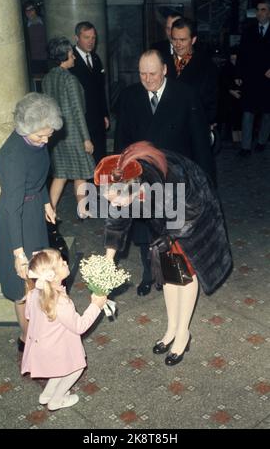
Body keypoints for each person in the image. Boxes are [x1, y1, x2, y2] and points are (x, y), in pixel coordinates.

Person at [94, 141, 232, 366]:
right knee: (167, 269)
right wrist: (109, 258)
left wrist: (170, 236)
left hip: (193, 214)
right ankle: (171, 329)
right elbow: (116, 219)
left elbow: (192, 210)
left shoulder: (172, 178)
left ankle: (183, 334)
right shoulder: (122, 178)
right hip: (167, 215)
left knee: (184, 272)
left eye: (116, 199)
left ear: (135, 187)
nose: (114, 204)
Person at [114, 49, 214, 296]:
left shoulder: (186, 95)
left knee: (173, 232)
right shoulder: (129, 97)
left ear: (165, 70)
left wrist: (205, 185)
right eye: (142, 74)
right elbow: (121, 143)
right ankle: (149, 274)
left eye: (153, 74)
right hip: (142, 179)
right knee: (145, 230)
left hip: (175, 178)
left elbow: (201, 145)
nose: (147, 80)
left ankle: (174, 277)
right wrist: (120, 178)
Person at [0, 93, 63, 351]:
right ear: (25, 129)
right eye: (40, 136)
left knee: (40, 278)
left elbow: (39, 177)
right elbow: (12, 208)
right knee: (21, 285)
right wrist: (18, 253)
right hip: (15, 219)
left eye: (48, 135)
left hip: (33, 211)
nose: (45, 140)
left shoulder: (38, 142)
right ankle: (27, 339)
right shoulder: (12, 157)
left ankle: (40, 330)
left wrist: (46, 202)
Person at [21, 249, 107, 410]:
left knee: (60, 368)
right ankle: (56, 400)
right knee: (75, 368)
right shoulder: (60, 301)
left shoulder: (34, 293)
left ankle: (47, 394)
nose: (66, 262)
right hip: (57, 347)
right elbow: (79, 326)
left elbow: (28, 315)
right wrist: (96, 305)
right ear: (52, 275)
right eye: (61, 262)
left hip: (43, 345)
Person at [42, 37, 95, 218]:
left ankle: (50, 210)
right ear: (64, 56)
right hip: (73, 134)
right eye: (72, 54)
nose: (74, 57)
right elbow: (78, 111)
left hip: (56, 134)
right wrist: (86, 139)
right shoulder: (69, 80)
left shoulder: (48, 78)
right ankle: (82, 208)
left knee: (62, 173)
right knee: (81, 170)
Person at [70, 21, 109, 165]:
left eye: (93, 38)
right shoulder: (70, 60)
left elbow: (100, 90)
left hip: (97, 118)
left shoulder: (96, 58)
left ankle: (100, 185)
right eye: (87, 37)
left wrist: (105, 114)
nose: (91, 41)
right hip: (82, 118)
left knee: (100, 156)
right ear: (76, 38)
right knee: (84, 161)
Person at [235, 0, 270, 156]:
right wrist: (238, 74)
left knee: (267, 113)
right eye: (258, 10)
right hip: (250, 78)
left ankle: (262, 141)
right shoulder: (249, 31)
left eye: (263, 10)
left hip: (268, 80)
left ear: (269, 13)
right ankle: (246, 146)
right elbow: (241, 54)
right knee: (248, 112)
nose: (259, 13)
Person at [171, 17, 219, 130]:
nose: (177, 44)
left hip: (194, 126)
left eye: (182, 40)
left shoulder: (207, 66)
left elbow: (212, 100)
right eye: (174, 39)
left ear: (193, 40)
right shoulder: (162, 62)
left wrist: (207, 122)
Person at [151, 12, 183, 78]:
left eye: (174, 28)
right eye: (168, 28)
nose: (171, 33)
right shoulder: (155, 49)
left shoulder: (198, 51)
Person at [23, 0, 48, 75]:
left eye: (31, 9)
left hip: (43, 59)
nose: (29, 12)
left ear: (36, 10)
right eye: (26, 10)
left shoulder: (42, 22)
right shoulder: (26, 24)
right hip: (31, 60)